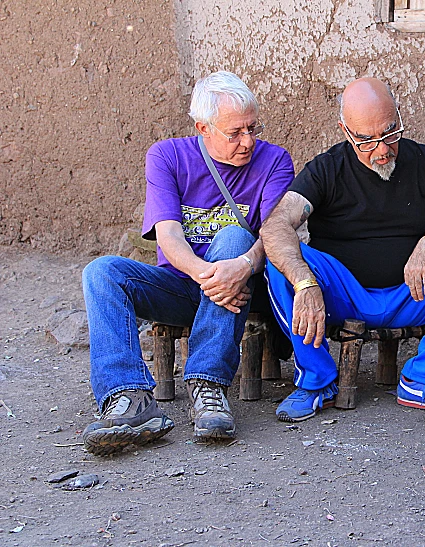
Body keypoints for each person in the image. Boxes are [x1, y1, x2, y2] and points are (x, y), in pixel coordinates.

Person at [260, 77, 425, 422]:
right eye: (366, 140)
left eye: (391, 133)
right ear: (345, 131)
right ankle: (317, 382)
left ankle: (423, 377)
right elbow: (274, 226)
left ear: (399, 117)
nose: (382, 150)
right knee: (282, 262)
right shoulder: (326, 169)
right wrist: (304, 281)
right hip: (342, 296)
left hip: (414, 292)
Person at [81, 71, 295, 455]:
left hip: (247, 290)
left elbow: (275, 235)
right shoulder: (167, 156)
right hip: (188, 286)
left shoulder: (275, 160)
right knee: (102, 273)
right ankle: (127, 397)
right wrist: (208, 276)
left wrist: (242, 267)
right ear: (203, 127)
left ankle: (208, 386)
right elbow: (168, 236)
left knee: (232, 236)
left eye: (253, 128)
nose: (247, 141)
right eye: (235, 133)